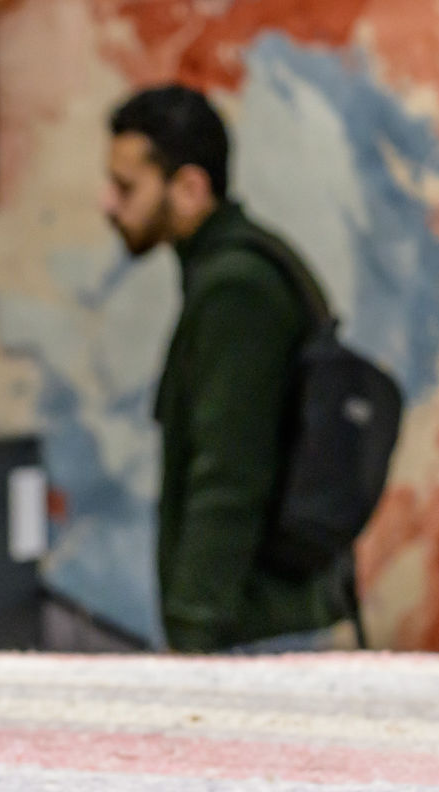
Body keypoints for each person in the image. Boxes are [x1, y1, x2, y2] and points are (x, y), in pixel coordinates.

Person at [103, 84, 351, 653]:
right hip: (261, 624)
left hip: (255, 631)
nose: (108, 203)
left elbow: (229, 474)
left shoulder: (236, 289)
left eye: (126, 186)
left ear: (189, 188)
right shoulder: (233, 270)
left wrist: (192, 630)